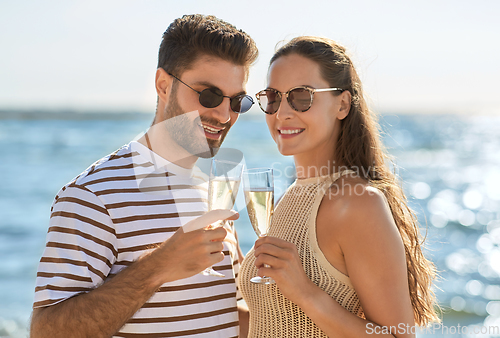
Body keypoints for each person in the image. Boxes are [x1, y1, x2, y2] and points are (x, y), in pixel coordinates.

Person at [30, 14, 258, 338]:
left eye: (238, 101)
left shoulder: (212, 192)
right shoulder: (91, 197)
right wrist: (157, 268)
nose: (224, 114)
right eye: (209, 95)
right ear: (164, 85)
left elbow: (224, 314)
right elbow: (47, 332)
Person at [239, 36, 439, 337]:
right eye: (273, 98)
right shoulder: (292, 195)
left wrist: (305, 292)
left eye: (301, 97)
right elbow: (275, 324)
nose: (282, 113)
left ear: (342, 104)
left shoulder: (358, 203)